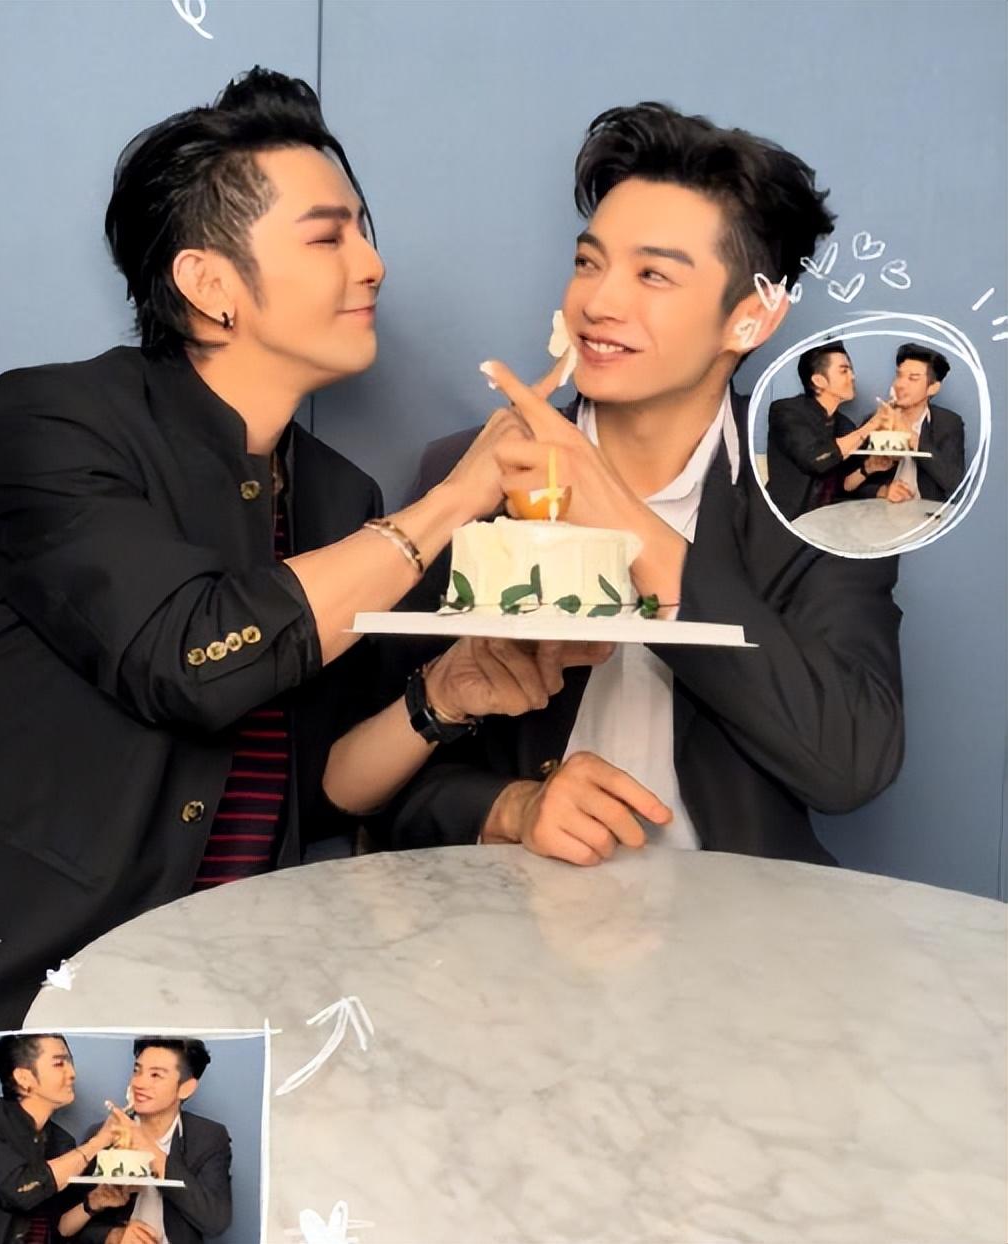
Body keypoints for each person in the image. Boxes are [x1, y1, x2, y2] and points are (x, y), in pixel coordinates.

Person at [0, 66, 607, 1235]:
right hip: (29, 1011)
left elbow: (323, 784)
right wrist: (448, 503)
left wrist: (441, 695)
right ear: (209, 284)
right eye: (328, 235)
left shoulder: (336, 496)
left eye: (364, 229)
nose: (372, 262)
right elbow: (190, 660)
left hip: (239, 1028)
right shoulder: (46, 424)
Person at [373, 101, 904, 867]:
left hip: (743, 927)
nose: (598, 302)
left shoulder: (821, 497)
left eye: (652, 274)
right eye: (589, 263)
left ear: (752, 318)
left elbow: (851, 761)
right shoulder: (473, 474)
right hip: (509, 920)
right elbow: (367, 771)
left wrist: (621, 517)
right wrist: (511, 806)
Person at [0, 1034, 119, 1244]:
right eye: (59, 1063)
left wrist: (93, 1203)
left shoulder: (61, 1141)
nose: (72, 1073)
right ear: (24, 1078)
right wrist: (98, 1142)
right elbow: (18, 1190)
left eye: (70, 1062)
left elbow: (60, 1228)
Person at [58, 1038, 230, 1244]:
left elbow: (215, 1222)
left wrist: (148, 1149)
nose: (139, 1083)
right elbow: (66, 1224)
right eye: (137, 1070)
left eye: (156, 1075)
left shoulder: (208, 1137)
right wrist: (112, 1236)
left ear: (186, 1088)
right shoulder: (105, 1133)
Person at [765, 341, 886, 520]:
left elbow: (844, 486)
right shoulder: (785, 411)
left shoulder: (844, 425)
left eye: (851, 370)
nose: (852, 376)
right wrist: (871, 425)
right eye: (844, 371)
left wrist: (868, 468)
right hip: (785, 523)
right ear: (819, 381)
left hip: (826, 523)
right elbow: (817, 459)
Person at [845, 343, 965, 504]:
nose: (900, 384)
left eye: (913, 378)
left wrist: (909, 435)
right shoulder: (877, 420)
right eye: (899, 375)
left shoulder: (948, 423)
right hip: (882, 513)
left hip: (927, 514)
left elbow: (954, 483)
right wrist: (882, 491)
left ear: (933, 388)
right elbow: (847, 484)